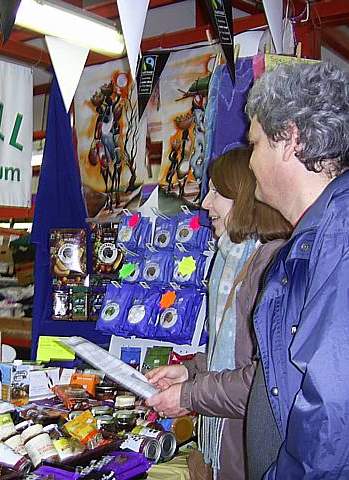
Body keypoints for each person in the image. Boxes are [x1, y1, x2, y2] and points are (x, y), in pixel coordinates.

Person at [244, 61, 349, 479]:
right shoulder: (324, 233)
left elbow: (346, 419)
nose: (250, 162)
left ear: (290, 140)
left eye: (256, 143)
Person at [146, 147, 292, 480]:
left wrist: (190, 393)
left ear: (243, 197)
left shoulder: (269, 267)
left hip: (250, 449)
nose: (205, 204)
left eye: (216, 192)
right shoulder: (234, 262)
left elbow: (263, 381)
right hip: (229, 442)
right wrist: (191, 372)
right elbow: (235, 354)